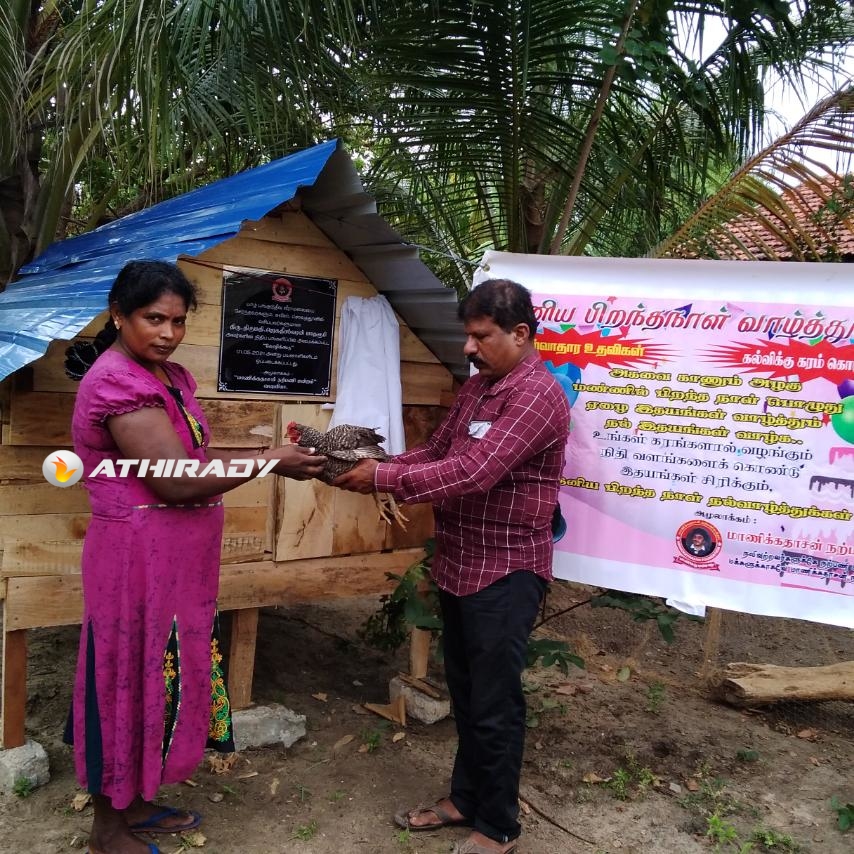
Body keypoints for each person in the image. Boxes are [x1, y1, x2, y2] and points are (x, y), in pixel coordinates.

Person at [65, 260, 326, 854]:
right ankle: (108, 829)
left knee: (157, 676)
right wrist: (271, 461)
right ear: (119, 315)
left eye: (178, 321)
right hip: (134, 561)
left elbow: (196, 455)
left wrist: (270, 450)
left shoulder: (167, 376)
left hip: (175, 563)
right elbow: (176, 479)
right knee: (123, 679)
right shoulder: (116, 382)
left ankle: (138, 800)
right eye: (153, 318)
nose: (168, 333)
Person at [333, 278, 570, 854]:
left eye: (480, 336)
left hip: (506, 571)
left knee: (495, 701)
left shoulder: (537, 395)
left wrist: (383, 477)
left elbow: (476, 471)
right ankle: (466, 798)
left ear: (520, 333)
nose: (468, 347)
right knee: (466, 692)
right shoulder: (480, 388)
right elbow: (439, 452)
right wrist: (377, 463)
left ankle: (499, 826)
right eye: (468, 335)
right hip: (462, 562)